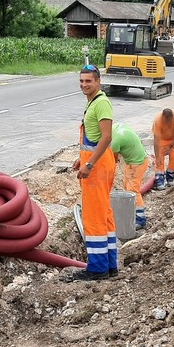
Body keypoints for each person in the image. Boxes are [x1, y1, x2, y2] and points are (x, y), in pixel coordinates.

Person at [68, 64, 116, 281]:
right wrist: (83, 158)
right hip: (97, 163)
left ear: (98, 81)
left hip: (97, 168)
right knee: (104, 214)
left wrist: (89, 164)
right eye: (81, 81)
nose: (84, 85)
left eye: (88, 81)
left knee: (94, 216)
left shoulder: (101, 103)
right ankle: (110, 265)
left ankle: (97, 269)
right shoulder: (93, 102)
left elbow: (106, 137)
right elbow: (94, 139)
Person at [110, 122, 149, 230]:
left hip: (136, 163)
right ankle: (132, 212)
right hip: (136, 159)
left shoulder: (114, 142)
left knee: (133, 191)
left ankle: (140, 219)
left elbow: (113, 160)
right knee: (127, 187)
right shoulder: (115, 127)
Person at [151, 108, 174, 190]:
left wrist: (170, 146)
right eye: (165, 121)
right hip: (161, 140)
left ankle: (170, 177)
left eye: (169, 121)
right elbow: (156, 140)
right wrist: (157, 156)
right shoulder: (157, 121)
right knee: (159, 160)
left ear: (172, 117)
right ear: (162, 117)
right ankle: (159, 180)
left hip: (173, 140)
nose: (167, 123)